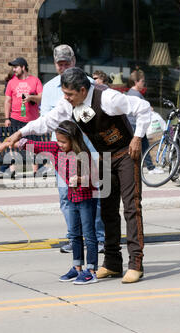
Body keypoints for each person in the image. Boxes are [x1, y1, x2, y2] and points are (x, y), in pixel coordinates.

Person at [0, 67, 151, 284]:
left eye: (69, 94)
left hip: (126, 153)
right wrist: (19, 133)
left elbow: (143, 108)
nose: (66, 98)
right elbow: (47, 121)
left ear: (83, 90)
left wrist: (137, 137)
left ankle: (136, 263)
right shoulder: (68, 104)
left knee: (132, 207)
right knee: (107, 211)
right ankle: (113, 263)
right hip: (104, 157)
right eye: (64, 94)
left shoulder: (107, 97)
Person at [15, 120, 99, 284]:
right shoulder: (55, 149)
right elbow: (37, 146)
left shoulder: (84, 154)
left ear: (73, 140)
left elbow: (95, 178)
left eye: (63, 142)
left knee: (89, 235)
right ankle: (77, 268)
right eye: (58, 140)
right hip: (72, 197)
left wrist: (82, 179)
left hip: (86, 198)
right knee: (74, 235)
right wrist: (18, 141)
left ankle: (91, 271)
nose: (59, 144)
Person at [41, 44, 105, 254]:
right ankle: (74, 237)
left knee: (93, 197)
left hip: (88, 150)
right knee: (66, 197)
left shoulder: (89, 85)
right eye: (60, 63)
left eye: (67, 62)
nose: (63, 66)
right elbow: (46, 122)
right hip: (63, 155)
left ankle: (98, 238)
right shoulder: (50, 88)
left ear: (74, 61)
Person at [4, 57, 43, 178]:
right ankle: (12, 170)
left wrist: (31, 98)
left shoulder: (35, 81)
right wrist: (7, 118)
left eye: (16, 67)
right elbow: (7, 101)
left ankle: (36, 171)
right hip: (16, 118)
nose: (14, 69)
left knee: (33, 146)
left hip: (32, 119)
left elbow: (41, 97)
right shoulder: (11, 82)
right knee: (12, 143)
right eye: (13, 67)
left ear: (23, 67)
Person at [127, 70, 162, 174]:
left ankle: (150, 167)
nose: (143, 83)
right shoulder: (135, 94)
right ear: (136, 82)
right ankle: (149, 167)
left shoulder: (131, 93)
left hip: (134, 124)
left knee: (144, 146)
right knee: (140, 147)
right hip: (135, 124)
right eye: (142, 81)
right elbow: (137, 109)